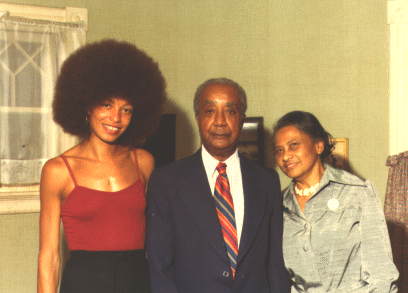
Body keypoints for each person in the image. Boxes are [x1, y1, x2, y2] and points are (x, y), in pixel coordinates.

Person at [37, 39, 167, 293]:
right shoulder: (57, 171)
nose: (115, 118)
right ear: (87, 104)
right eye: (106, 104)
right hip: (84, 284)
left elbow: (158, 243)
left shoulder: (144, 162)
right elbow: (49, 258)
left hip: (137, 283)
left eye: (126, 109)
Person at [146, 78, 290, 293]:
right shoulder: (167, 181)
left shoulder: (267, 181)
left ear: (241, 119)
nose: (220, 121)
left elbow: (276, 266)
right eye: (210, 111)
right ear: (197, 118)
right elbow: (160, 270)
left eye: (230, 112)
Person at [272, 111, 399, 292]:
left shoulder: (357, 192)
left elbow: (382, 276)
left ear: (318, 145)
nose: (285, 156)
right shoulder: (277, 206)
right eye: (279, 150)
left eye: (293, 145)